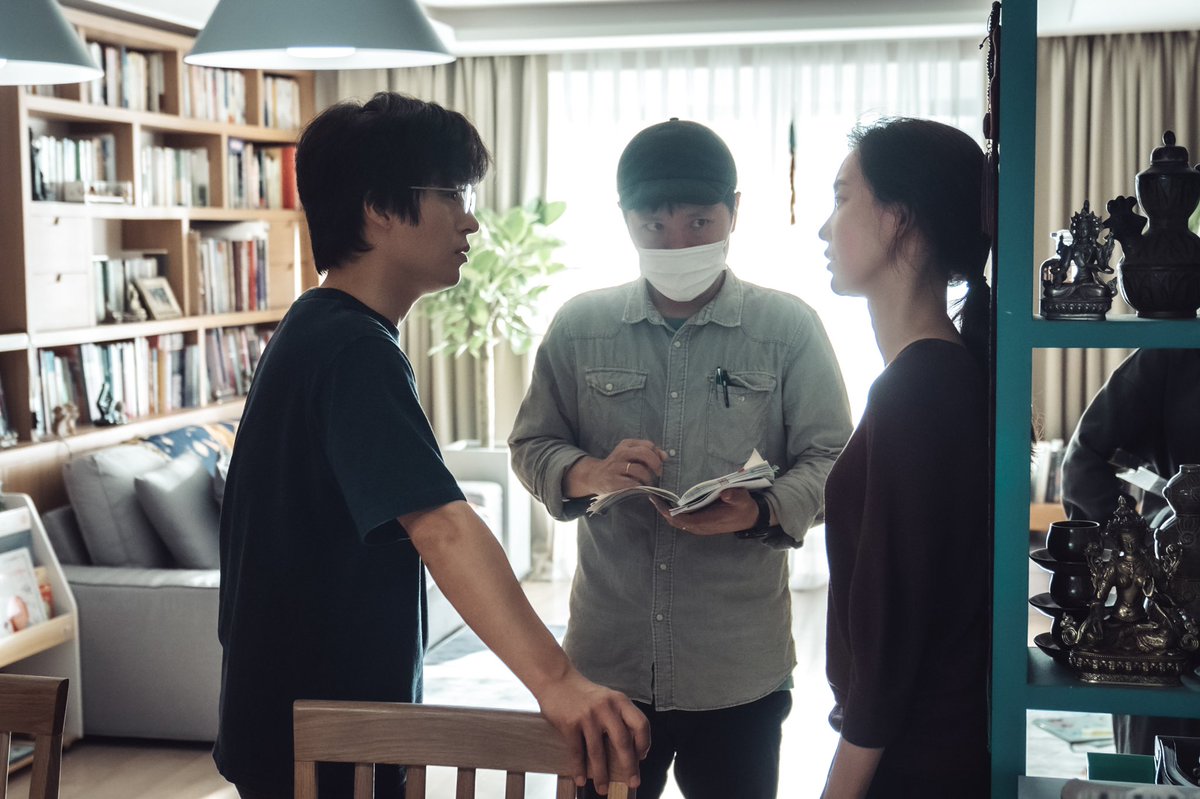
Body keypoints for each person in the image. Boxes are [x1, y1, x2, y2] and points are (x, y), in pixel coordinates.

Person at [213, 92, 650, 799]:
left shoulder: (318, 327)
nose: (470, 218)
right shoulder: (353, 348)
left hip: (303, 725)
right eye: (451, 194)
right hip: (324, 739)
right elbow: (442, 526)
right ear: (379, 210)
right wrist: (559, 682)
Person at [508, 118, 853, 799]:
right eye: (654, 226)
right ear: (625, 220)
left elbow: (834, 459)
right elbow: (531, 443)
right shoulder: (580, 326)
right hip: (606, 665)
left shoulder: (787, 329)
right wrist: (588, 473)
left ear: (733, 213)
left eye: (699, 222)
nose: (677, 244)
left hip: (737, 667)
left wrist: (761, 510)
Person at [817, 117, 992, 798]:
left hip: (915, 764)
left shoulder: (918, 391)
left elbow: (888, 647)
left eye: (842, 198)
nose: (824, 229)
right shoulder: (936, 376)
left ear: (900, 219)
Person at [1061, 348, 1200, 755]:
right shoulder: (1175, 349)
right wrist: (1133, 548)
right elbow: (1083, 460)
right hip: (1175, 586)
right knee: (1157, 761)